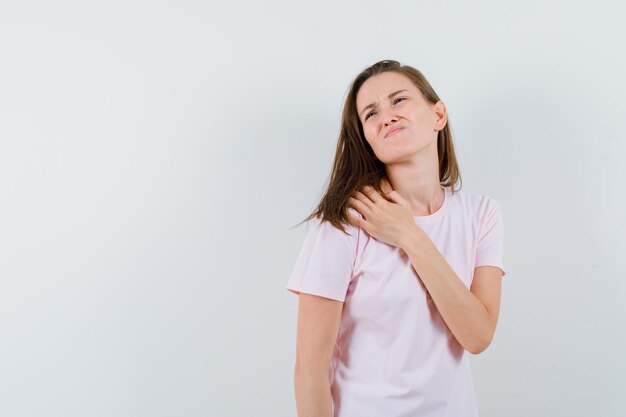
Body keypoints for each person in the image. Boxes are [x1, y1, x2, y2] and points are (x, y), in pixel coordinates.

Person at [285, 59, 506, 417]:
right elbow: (310, 370)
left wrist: (408, 234)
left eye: (399, 100)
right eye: (370, 113)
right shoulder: (345, 222)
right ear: (367, 139)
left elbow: (477, 336)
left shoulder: (482, 215)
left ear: (438, 115)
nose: (386, 116)